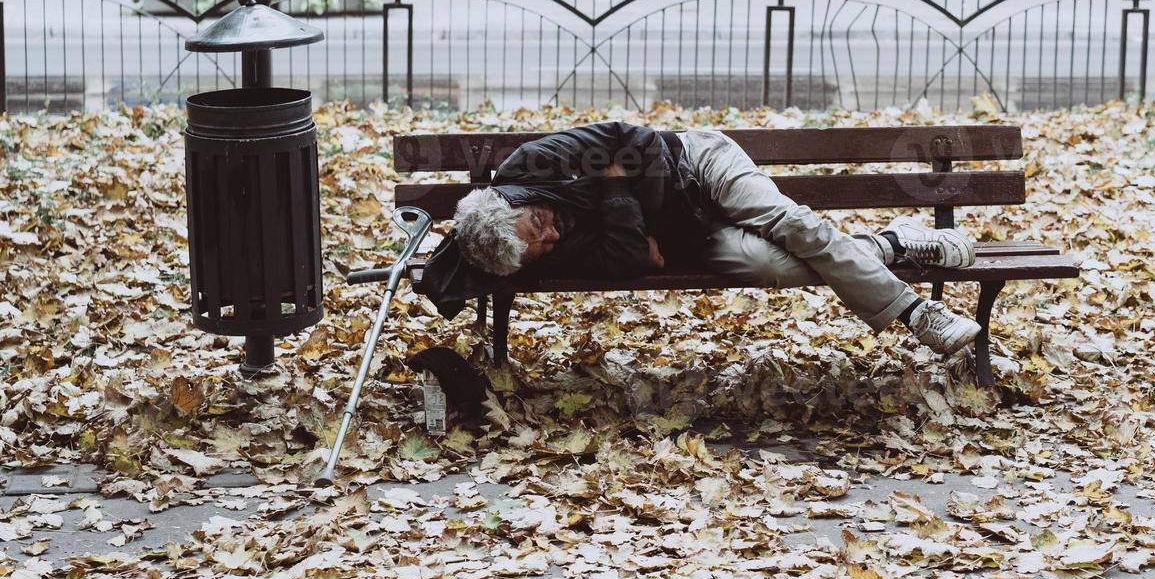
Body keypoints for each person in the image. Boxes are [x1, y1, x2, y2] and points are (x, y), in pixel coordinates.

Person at [418, 122, 985, 357]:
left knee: (795, 227)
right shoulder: (530, 249)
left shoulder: (537, 163)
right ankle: (889, 244)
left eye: (537, 222)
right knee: (777, 267)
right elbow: (621, 261)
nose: (550, 235)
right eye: (540, 246)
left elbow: (638, 142)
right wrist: (620, 198)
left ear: (514, 201)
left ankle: (914, 315)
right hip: (692, 233)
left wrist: (639, 223)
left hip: (701, 165)